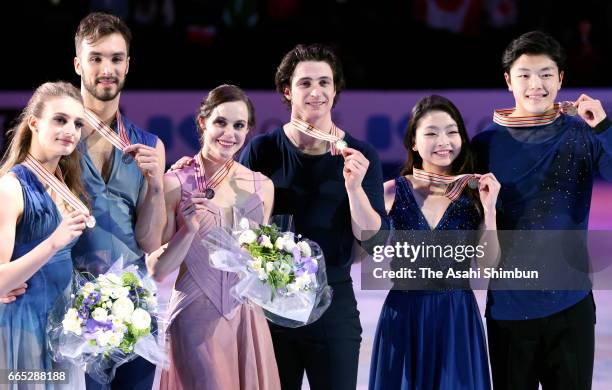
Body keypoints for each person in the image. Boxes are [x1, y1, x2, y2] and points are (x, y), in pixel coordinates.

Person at [238, 43, 389, 390]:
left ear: (336, 91)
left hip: (334, 303)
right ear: (287, 91)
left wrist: (354, 188)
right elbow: (238, 225)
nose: (316, 91)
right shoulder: (262, 150)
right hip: (271, 304)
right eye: (305, 83)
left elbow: (374, 241)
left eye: (325, 82)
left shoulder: (362, 155)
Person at [472, 30, 612, 390]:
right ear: (508, 81)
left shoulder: (581, 133)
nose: (536, 84)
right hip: (508, 309)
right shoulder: (485, 144)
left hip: (571, 305)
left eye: (547, 74)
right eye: (524, 75)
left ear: (561, 78)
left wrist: (604, 127)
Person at [146, 84, 279, 390]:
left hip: (247, 318)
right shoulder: (175, 181)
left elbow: (262, 259)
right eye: (220, 122)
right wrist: (188, 230)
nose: (229, 133)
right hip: (195, 317)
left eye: (238, 125)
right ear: (203, 122)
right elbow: (158, 269)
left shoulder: (262, 186)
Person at [369, 95, 500, 390]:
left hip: (456, 318)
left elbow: (488, 266)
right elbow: (369, 246)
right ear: (413, 143)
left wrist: (489, 212)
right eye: (431, 133)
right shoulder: (392, 191)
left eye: (452, 132)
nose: (444, 141)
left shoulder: (473, 194)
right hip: (404, 317)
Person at [74, 12, 165, 390]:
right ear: (78, 64)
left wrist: (157, 186)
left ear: (128, 65)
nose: (106, 68)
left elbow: (149, 241)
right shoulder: (54, 140)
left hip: (135, 313)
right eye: (95, 58)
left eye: (115, 58)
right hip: (72, 316)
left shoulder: (150, 145)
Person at [0, 81, 89, 388]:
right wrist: (53, 242)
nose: (71, 130)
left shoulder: (66, 182)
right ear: (34, 123)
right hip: (25, 327)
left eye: (77, 123)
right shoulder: (10, 188)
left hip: (65, 327)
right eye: (60, 119)